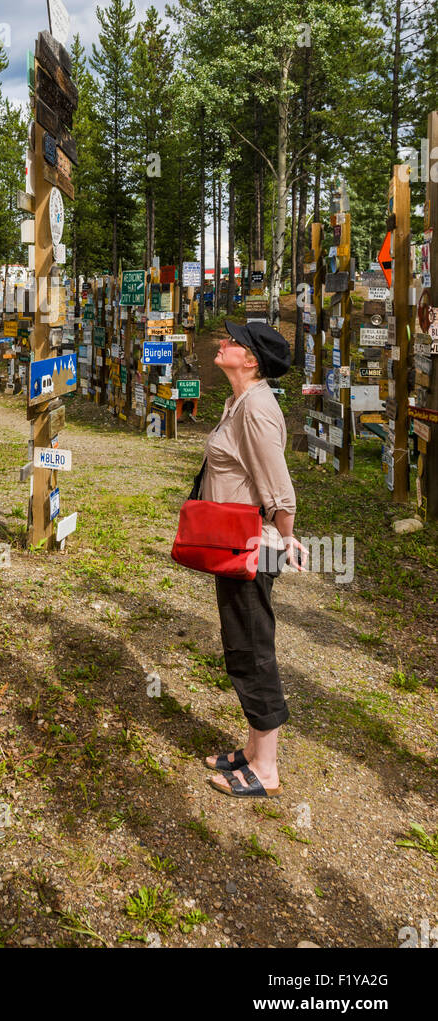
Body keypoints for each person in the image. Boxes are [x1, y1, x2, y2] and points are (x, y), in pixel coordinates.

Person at [200, 319, 308, 799]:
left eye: (233, 341)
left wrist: (284, 540)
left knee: (253, 651)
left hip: (254, 547)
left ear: (251, 360)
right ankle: (252, 748)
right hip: (236, 542)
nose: (223, 343)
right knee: (241, 642)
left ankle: (266, 768)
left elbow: (278, 488)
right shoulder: (239, 403)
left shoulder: (257, 409)